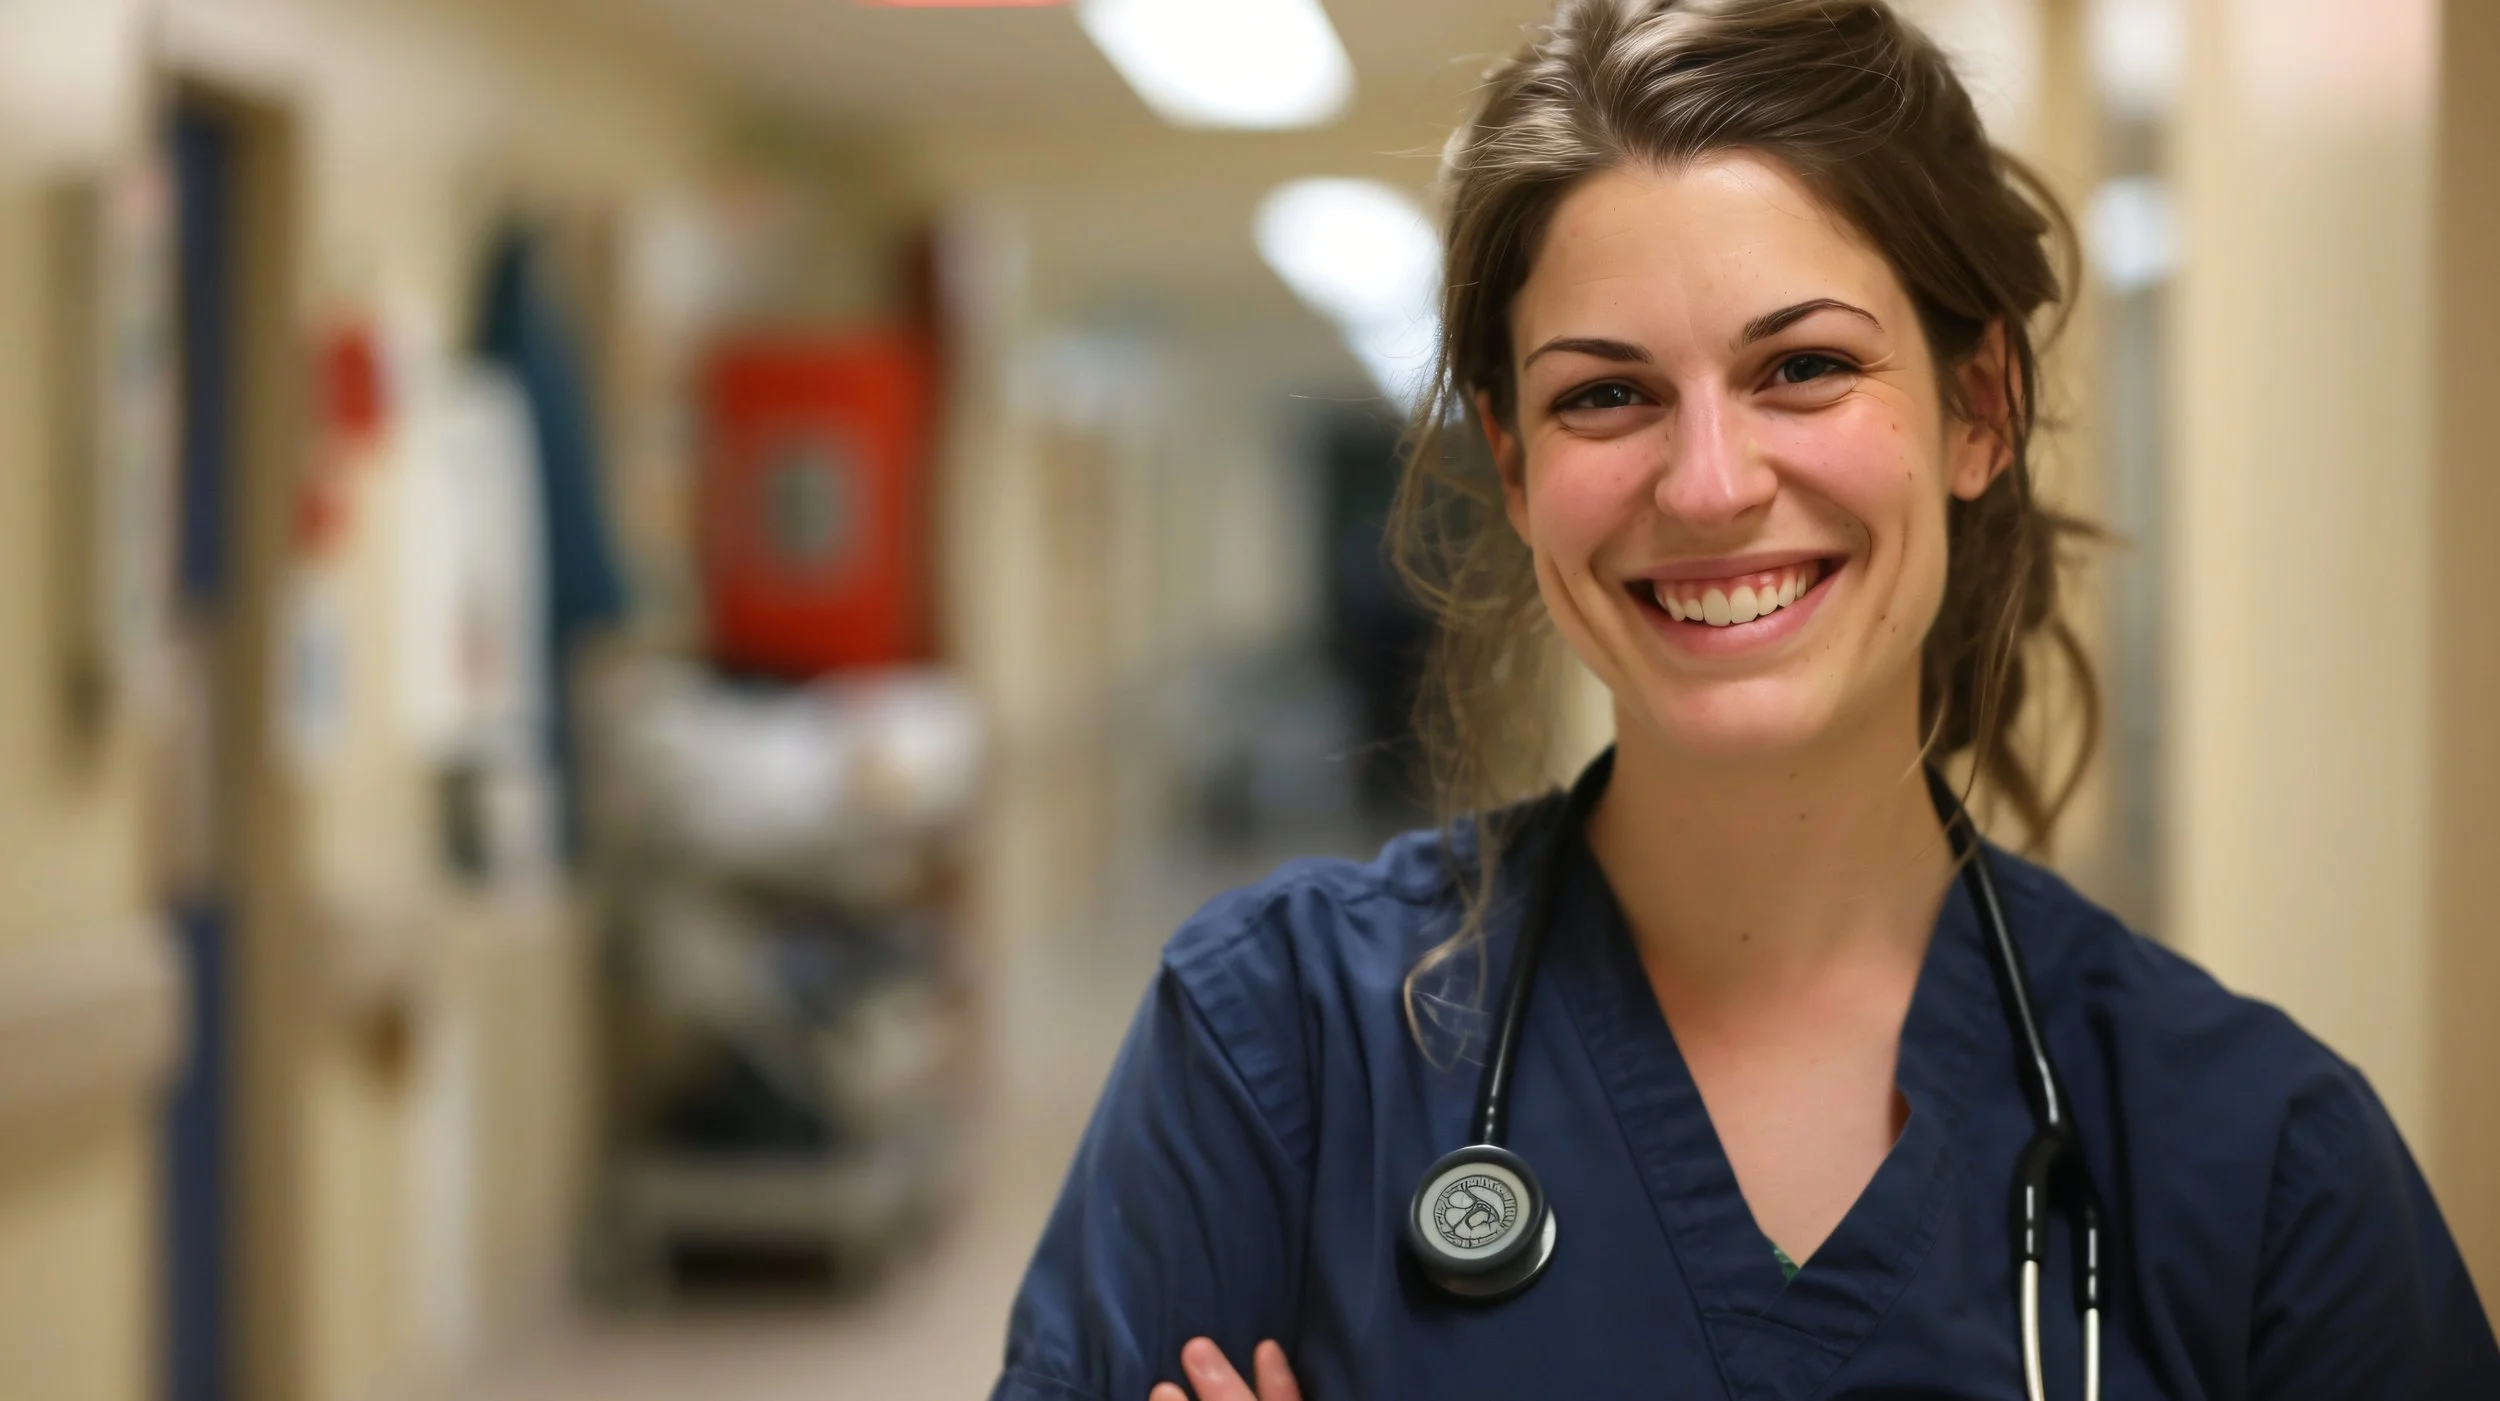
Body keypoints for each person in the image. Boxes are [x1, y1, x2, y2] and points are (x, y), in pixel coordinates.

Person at [988, 1, 2500, 1396]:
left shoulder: (2260, 1163)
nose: (1709, 485)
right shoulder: (1279, 1048)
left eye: (1805, 367)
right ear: (1516, 473)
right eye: (1605, 394)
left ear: (1978, 411)